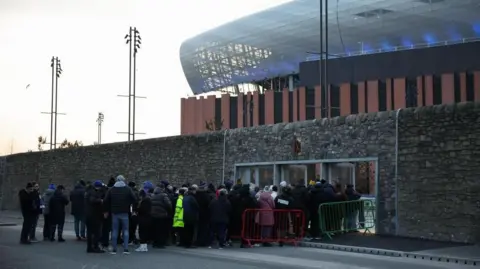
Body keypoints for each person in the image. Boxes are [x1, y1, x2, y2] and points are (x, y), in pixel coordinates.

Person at [103, 175, 136, 255]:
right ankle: (126, 249)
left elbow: (105, 200)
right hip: (125, 212)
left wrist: (106, 211)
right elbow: (134, 199)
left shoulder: (111, 189)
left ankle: (114, 249)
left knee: (114, 230)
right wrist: (131, 207)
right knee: (125, 230)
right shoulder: (128, 189)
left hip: (114, 212)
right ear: (123, 180)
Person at [85, 180, 105, 253]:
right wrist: (100, 200)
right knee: (97, 232)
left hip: (89, 214)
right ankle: (95, 247)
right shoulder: (93, 192)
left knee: (90, 232)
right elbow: (92, 200)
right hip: (94, 215)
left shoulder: (89, 191)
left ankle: (90, 247)